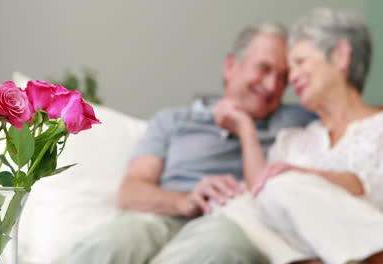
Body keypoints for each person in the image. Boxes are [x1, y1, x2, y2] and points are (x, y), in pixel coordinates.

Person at [69, 22, 316, 264]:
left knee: (223, 246)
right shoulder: (174, 120)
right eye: (264, 68)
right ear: (231, 66)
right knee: (114, 241)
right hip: (159, 219)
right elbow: (130, 192)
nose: (273, 86)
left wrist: (244, 126)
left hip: (227, 223)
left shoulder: (297, 123)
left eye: (283, 78)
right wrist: (184, 201)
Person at [215, 8, 383, 264]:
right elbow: (261, 197)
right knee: (235, 207)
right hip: (309, 254)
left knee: (282, 185)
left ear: (340, 55)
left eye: (300, 62)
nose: (291, 78)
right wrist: (245, 129)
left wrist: (307, 178)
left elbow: (370, 188)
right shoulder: (292, 141)